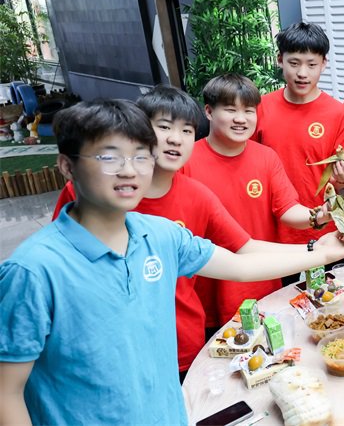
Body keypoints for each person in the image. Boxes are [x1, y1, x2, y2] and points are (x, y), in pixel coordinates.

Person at [0, 99, 344, 425]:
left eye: (141, 156)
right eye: (109, 157)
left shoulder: (160, 235)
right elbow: (7, 392)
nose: (129, 170)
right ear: (67, 166)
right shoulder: (33, 271)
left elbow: (240, 264)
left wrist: (321, 253)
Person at [49, 85, 320, 378]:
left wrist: (319, 248)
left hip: (181, 343)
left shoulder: (194, 197)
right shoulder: (93, 196)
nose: (175, 138)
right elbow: (63, 272)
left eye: (186, 130)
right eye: (164, 127)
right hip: (112, 352)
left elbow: (244, 252)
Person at [181, 74, 328, 328]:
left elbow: (287, 209)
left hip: (263, 283)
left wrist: (318, 216)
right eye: (230, 110)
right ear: (209, 111)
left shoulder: (266, 157)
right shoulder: (186, 161)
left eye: (248, 111)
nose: (241, 119)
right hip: (209, 292)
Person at [253, 21, 344, 246]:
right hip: (272, 233)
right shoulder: (259, 108)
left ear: (324, 64)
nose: (302, 73)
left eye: (311, 64)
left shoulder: (338, 113)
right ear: (280, 60)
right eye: (294, 63)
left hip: (325, 231)